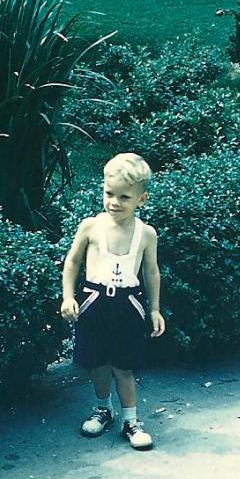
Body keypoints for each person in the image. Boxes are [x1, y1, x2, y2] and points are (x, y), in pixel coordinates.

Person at [60, 152, 166, 450]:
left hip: (128, 305)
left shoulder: (146, 234)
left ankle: (131, 420)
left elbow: (151, 271)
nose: (114, 202)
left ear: (141, 199)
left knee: (124, 366)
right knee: (98, 363)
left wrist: (154, 309)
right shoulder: (91, 227)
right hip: (94, 301)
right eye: (109, 194)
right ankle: (103, 409)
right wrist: (68, 296)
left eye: (124, 197)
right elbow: (72, 262)